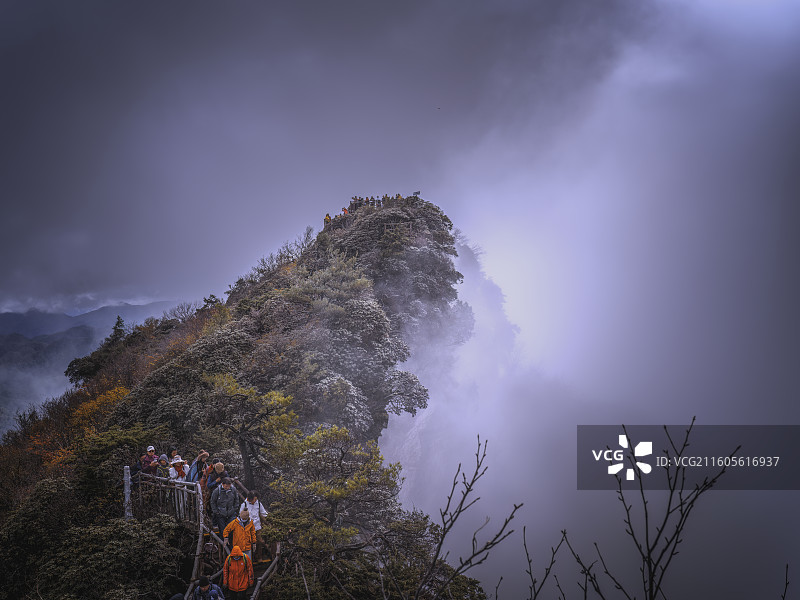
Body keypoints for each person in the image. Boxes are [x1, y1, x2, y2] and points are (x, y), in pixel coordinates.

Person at [240, 491, 268, 561]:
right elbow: (241, 516)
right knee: (249, 542)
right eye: (254, 499)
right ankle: (250, 559)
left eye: (256, 499)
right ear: (249, 499)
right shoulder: (244, 504)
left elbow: (263, 513)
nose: (255, 501)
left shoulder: (258, 504)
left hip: (257, 526)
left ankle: (259, 557)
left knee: (259, 541)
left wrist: (270, 518)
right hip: (248, 527)